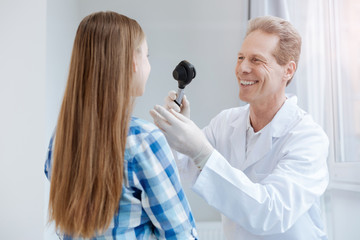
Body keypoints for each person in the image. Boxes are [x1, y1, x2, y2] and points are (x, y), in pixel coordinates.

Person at [150, 16, 329, 239]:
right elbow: (181, 170)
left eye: (256, 60)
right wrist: (177, 132)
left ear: (288, 70)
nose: (242, 68)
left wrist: (203, 152)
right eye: (241, 57)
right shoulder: (226, 123)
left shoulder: (308, 138)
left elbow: (270, 213)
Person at [44, 11, 197, 240]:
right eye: (147, 55)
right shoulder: (144, 140)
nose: (148, 64)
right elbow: (182, 235)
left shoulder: (61, 138)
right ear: (133, 63)